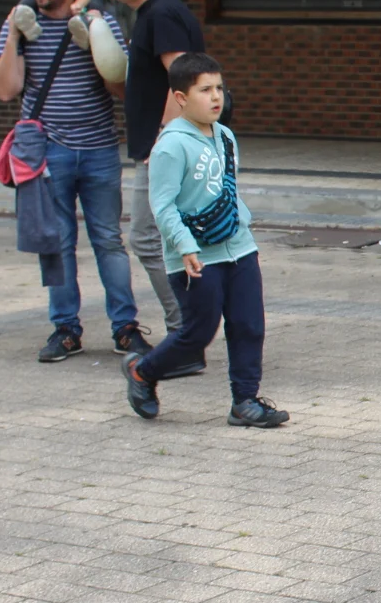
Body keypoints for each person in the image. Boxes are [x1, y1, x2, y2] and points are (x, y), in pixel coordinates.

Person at [0, 0, 151, 363]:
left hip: (98, 148)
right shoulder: (20, 24)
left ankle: (125, 327)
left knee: (108, 240)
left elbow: (120, 88)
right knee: (56, 242)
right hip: (47, 151)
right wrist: (14, 36)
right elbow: (5, 89)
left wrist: (95, 42)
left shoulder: (101, 20)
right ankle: (65, 330)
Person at [123, 54, 289, 428]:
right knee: (197, 335)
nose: (216, 97)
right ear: (181, 98)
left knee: (249, 324)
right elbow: (162, 206)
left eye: (219, 88)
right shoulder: (170, 146)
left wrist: (242, 225)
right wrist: (185, 246)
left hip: (239, 247)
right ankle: (142, 372)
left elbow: (227, 189)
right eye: (205, 90)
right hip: (194, 257)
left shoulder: (225, 137)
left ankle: (245, 401)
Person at [110, 0, 207, 367]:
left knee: (148, 239)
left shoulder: (162, 14)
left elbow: (183, 79)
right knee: (168, 241)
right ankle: (188, 335)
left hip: (164, 150)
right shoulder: (154, 14)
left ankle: (185, 338)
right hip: (166, 146)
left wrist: (164, 139)